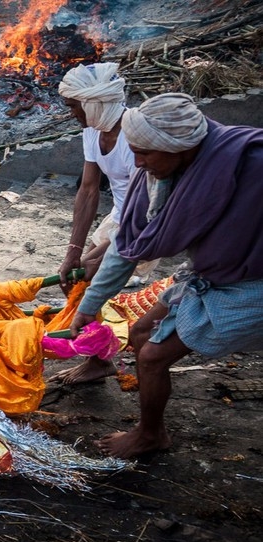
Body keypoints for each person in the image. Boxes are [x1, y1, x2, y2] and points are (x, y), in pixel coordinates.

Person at [69, 93, 263, 459]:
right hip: (213, 274)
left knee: (152, 357)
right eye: (134, 152)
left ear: (178, 147)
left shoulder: (251, 164)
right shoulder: (161, 176)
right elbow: (129, 246)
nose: (137, 163)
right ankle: (151, 427)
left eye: (144, 153)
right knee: (140, 334)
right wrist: (89, 306)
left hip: (250, 284)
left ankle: (150, 435)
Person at [52, 62, 158, 385]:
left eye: (74, 106)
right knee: (74, 276)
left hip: (147, 222)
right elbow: (88, 190)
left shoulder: (134, 137)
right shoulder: (92, 130)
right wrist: (74, 250)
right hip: (121, 216)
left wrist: (102, 254)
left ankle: (99, 360)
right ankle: (98, 356)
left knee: (90, 280)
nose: (72, 114)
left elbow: (143, 211)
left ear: (93, 103)